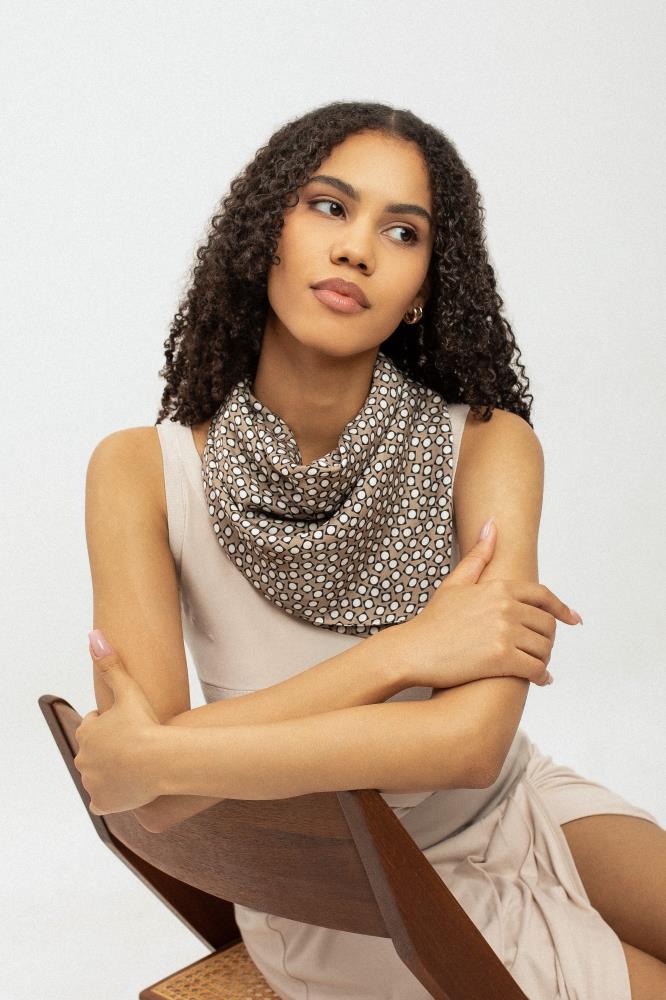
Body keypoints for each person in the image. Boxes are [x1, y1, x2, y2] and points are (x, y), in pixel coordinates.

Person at [74, 101, 666, 998]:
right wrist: (409, 652)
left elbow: (469, 743)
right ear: (264, 232)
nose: (357, 248)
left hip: (511, 803)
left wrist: (166, 754)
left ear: (425, 282)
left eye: (402, 231)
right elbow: (157, 805)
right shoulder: (139, 472)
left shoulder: (489, 444)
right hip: (335, 891)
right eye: (328, 207)